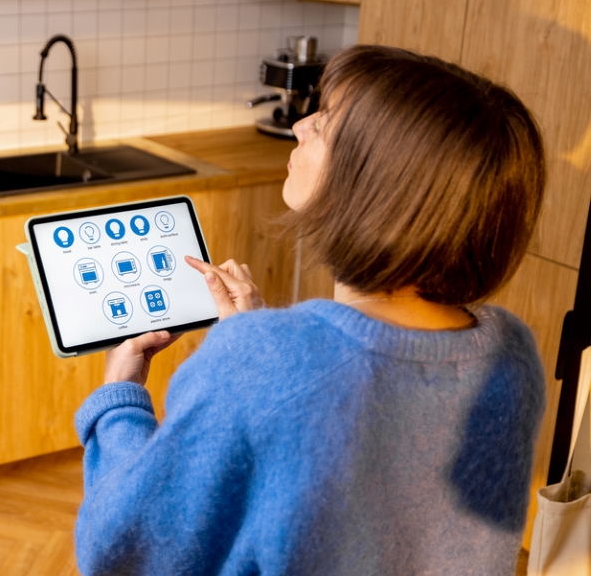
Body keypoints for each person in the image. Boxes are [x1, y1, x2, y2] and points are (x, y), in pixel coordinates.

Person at [74, 45, 548, 576]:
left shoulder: (263, 364)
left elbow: (122, 550)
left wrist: (119, 400)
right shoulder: (512, 354)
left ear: (372, 186)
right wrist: (259, 344)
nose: (300, 125)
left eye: (323, 126)